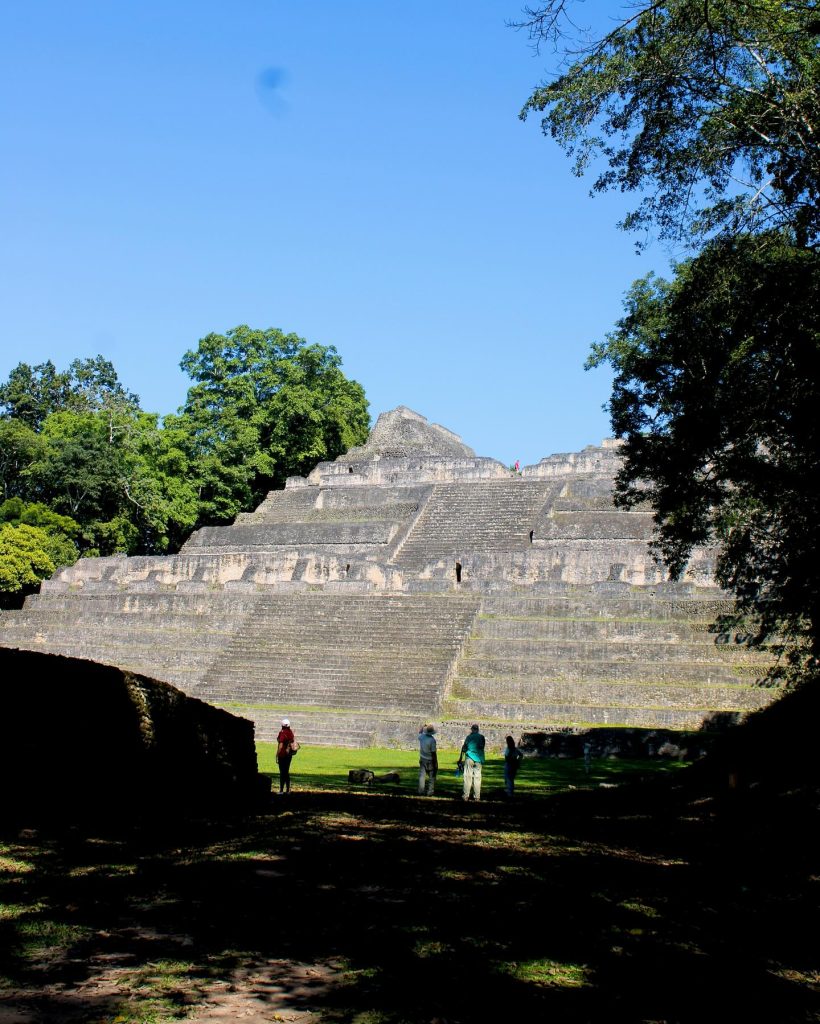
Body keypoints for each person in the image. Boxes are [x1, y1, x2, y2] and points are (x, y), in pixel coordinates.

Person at [459, 723, 485, 801]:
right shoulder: (481, 737)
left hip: (469, 757)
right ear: (478, 729)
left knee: (467, 776)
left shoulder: (469, 737)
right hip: (478, 758)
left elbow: (464, 748)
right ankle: (477, 796)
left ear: (472, 729)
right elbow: (482, 746)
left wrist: (461, 757)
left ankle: (465, 795)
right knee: (477, 777)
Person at [276, 717, 296, 794]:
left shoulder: (282, 732)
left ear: (282, 725)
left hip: (282, 754)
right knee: (286, 772)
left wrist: (277, 754)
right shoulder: (290, 732)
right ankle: (287, 790)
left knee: (282, 772)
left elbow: (281, 745)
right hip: (289, 755)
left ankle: (281, 790)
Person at [418, 724, 438, 796]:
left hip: (422, 758)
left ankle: (421, 791)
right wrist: (435, 762)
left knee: (422, 776)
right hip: (430, 760)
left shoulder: (422, 737)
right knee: (431, 777)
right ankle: (430, 791)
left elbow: (419, 732)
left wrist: (422, 726)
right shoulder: (432, 740)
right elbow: (433, 753)